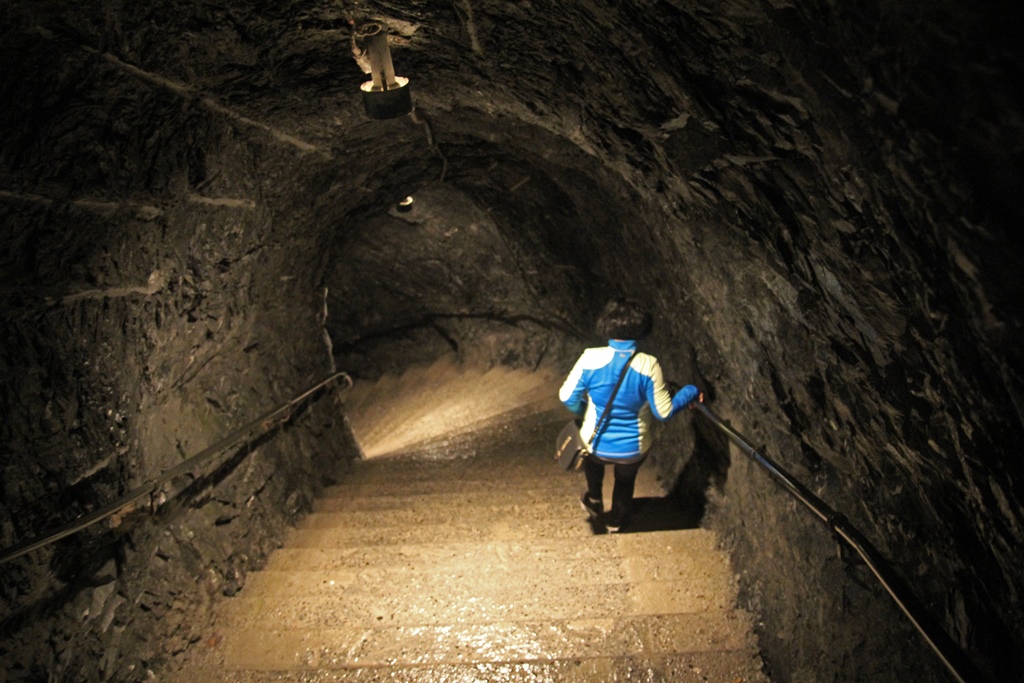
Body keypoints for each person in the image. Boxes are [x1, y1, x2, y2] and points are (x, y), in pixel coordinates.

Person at [558, 298, 702, 532]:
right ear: (641, 329)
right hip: (632, 448)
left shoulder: (589, 358)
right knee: (625, 479)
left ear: (606, 325)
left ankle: (594, 498)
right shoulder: (648, 365)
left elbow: (567, 396)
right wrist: (691, 391)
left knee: (594, 463)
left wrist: (582, 412)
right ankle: (617, 519)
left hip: (595, 443)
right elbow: (663, 412)